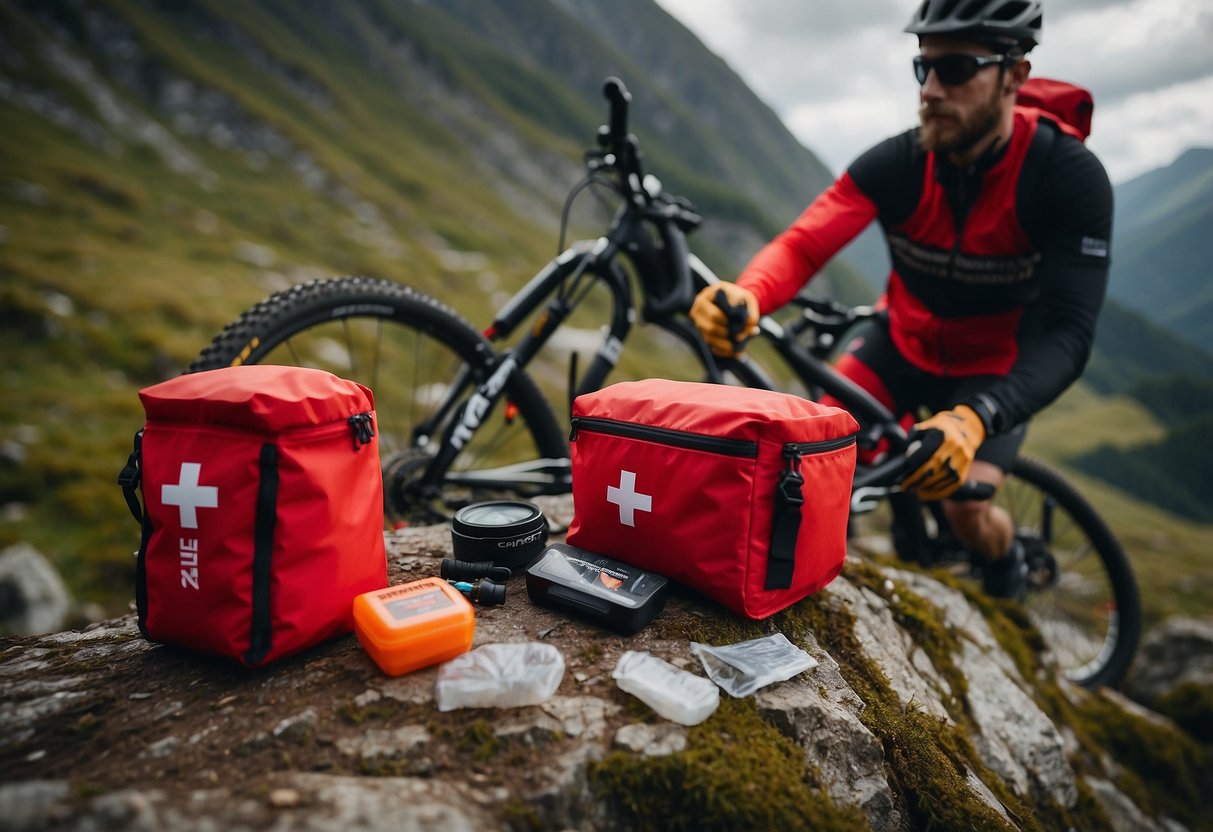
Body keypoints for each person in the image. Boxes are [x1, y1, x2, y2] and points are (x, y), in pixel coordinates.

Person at [690, 0, 1113, 599]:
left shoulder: (1067, 177)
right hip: (899, 342)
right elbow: (804, 246)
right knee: (812, 457)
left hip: (991, 371)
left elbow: (1070, 332)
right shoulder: (901, 161)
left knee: (967, 512)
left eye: (958, 69)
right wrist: (748, 294)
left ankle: (1005, 559)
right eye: (924, 69)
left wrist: (976, 420)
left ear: (1015, 76)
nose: (933, 90)